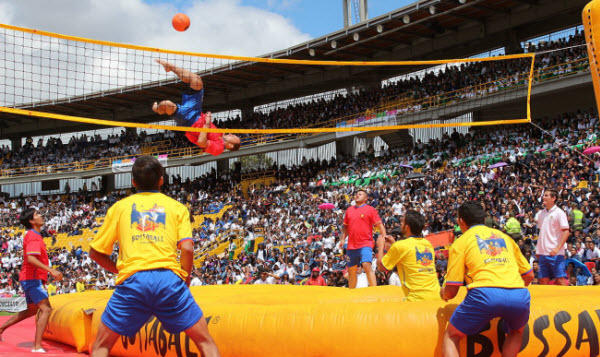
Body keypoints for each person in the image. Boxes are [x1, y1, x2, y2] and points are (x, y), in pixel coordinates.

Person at [88, 156, 220, 357]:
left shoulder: (119, 208)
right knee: (205, 343)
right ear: (161, 179)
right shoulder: (177, 207)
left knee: (101, 347)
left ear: (133, 182)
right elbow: (187, 249)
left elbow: (95, 253)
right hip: (168, 279)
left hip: (132, 281)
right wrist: (185, 277)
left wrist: (120, 270)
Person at [441, 202, 534, 357]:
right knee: (517, 331)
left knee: (452, 336)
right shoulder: (505, 238)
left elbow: (452, 291)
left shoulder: (461, 243)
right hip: (519, 293)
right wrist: (510, 292)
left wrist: (443, 293)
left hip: (484, 294)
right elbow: (529, 275)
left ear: (461, 222)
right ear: (483, 219)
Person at [0, 208, 63, 353]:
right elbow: (31, 258)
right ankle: (37, 346)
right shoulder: (33, 236)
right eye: (37, 214)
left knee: (31, 310)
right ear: (32, 221)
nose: (41, 215)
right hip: (31, 279)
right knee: (46, 309)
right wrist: (50, 270)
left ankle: (1, 328)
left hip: (30, 278)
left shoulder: (34, 235)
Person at [153, 59, 241, 156]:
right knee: (197, 81)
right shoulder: (221, 136)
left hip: (188, 122)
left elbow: (201, 142)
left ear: (230, 145)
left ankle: (158, 110)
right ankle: (170, 67)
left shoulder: (218, 149)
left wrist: (207, 124)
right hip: (197, 111)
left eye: (233, 137)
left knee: (166, 104)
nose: (231, 134)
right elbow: (212, 135)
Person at [377, 210, 440, 301]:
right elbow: (410, 258)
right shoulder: (428, 244)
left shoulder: (400, 246)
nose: (400, 224)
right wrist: (394, 244)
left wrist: (380, 246)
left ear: (407, 227)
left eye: (402, 222)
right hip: (436, 296)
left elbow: (380, 267)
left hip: (416, 300)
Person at [340, 189, 388, 288]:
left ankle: (374, 290)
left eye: (360, 194)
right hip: (351, 245)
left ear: (366, 198)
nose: (357, 195)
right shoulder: (349, 210)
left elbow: (380, 225)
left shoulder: (370, 209)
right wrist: (342, 239)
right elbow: (346, 227)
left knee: (366, 265)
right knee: (351, 270)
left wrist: (384, 237)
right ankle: (352, 292)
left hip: (365, 243)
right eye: (356, 194)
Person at [536, 189, 569, 285]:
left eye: (546, 195)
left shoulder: (559, 213)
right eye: (544, 195)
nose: (544, 197)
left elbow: (566, 231)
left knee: (559, 279)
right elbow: (542, 232)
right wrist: (538, 249)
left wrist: (558, 248)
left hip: (555, 252)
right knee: (543, 279)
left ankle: (565, 299)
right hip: (543, 252)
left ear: (553, 198)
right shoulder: (541, 213)